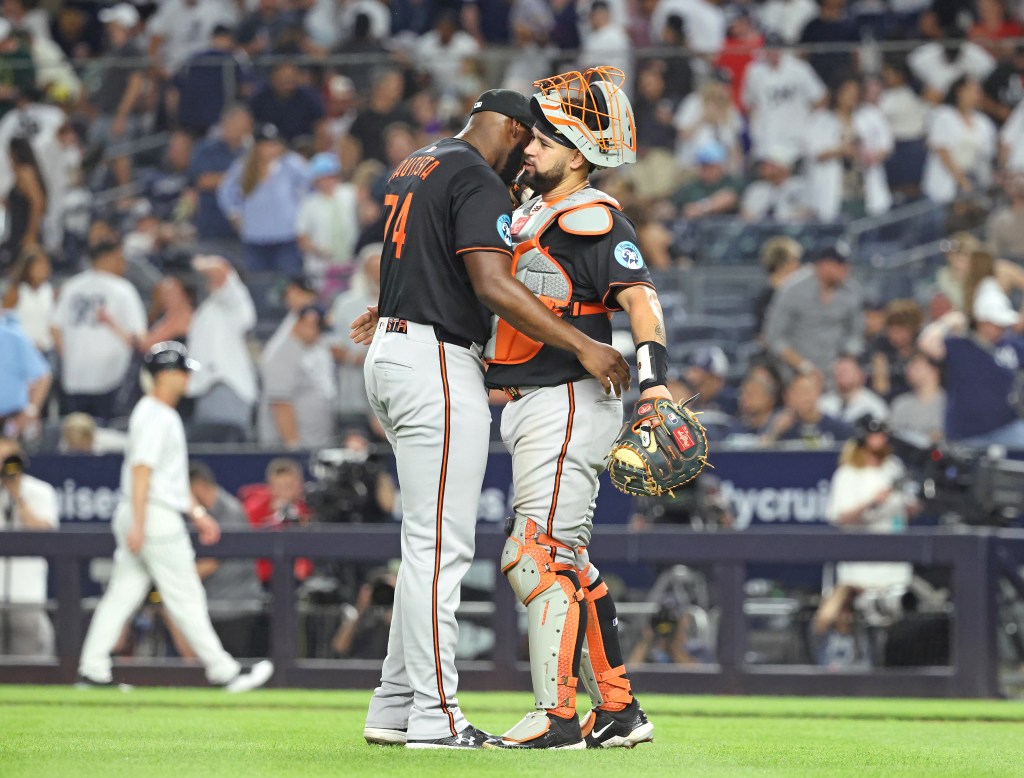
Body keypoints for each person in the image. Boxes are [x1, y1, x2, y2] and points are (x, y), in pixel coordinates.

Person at [348, 87, 629, 750]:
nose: (530, 155)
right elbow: (493, 284)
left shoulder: (421, 161)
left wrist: (394, 309)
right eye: (526, 137)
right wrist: (584, 343)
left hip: (395, 347)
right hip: (434, 361)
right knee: (440, 548)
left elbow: (422, 260)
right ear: (503, 126)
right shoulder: (476, 172)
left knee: (423, 542)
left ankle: (394, 702)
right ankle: (436, 716)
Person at [480, 67, 656, 750]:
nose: (529, 147)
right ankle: (616, 709)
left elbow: (640, 298)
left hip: (568, 400)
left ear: (577, 154)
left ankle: (555, 716)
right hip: (538, 402)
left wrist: (657, 382)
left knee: (535, 555)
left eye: (545, 140)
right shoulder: (535, 211)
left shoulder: (592, 214)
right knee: (568, 561)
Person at [77, 342, 274, 691]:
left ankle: (92, 670)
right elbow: (142, 471)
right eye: (182, 371)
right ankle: (223, 671)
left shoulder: (153, 412)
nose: (186, 378)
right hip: (152, 514)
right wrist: (140, 522)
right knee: (186, 596)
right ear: (165, 374)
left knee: (122, 593)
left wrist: (197, 514)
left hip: (143, 511)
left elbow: (171, 477)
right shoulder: (156, 413)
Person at [815, 415, 915, 666]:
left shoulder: (893, 467)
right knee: (854, 611)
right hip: (862, 560)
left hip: (894, 557)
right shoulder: (848, 473)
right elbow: (840, 517)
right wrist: (872, 502)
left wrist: (910, 501)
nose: (879, 439)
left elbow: (910, 508)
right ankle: (851, 660)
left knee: (898, 616)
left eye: (882, 433)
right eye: (874, 433)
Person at [51, 240, 146, 421]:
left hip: (74, 377)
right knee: (106, 439)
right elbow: (139, 338)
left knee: (75, 439)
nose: (123, 264)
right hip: (111, 380)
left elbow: (55, 328)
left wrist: (69, 356)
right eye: (119, 258)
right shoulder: (123, 289)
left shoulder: (71, 285)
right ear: (107, 258)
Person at [919, 287, 1024, 448]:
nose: (998, 328)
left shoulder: (1012, 346)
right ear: (980, 321)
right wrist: (948, 321)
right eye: (992, 322)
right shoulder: (959, 345)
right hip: (966, 433)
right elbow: (926, 343)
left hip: (1007, 427)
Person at [188, 462, 265, 658]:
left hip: (236, 606)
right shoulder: (202, 515)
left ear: (198, 486)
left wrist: (175, 582)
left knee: (234, 664)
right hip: (215, 604)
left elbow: (212, 562)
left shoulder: (229, 511)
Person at [217, 123, 309, 275]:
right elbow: (225, 192)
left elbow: (310, 185)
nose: (271, 149)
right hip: (255, 237)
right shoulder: (243, 167)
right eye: (266, 145)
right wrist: (234, 214)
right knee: (258, 284)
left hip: (286, 236)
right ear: (257, 147)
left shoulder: (291, 164)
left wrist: (303, 216)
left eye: (274, 144)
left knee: (290, 281)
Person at [763, 244, 864, 381]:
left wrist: (847, 360)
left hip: (836, 371)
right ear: (823, 266)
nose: (846, 270)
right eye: (840, 265)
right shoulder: (793, 290)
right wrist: (804, 366)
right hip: (796, 372)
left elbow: (856, 334)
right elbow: (774, 337)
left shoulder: (851, 291)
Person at [186, 256, 258, 434]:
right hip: (207, 387)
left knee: (227, 450)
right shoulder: (211, 306)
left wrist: (195, 262)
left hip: (225, 387)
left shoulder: (236, 301)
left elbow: (220, 269)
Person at [0, 436, 58, 656]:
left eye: (9, 459)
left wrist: (17, 496)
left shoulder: (40, 492)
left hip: (26, 595)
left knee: (28, 667)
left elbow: (45, 534)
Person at [257, 305, 337, 449]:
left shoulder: (309, 349)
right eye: (318, 329)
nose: (320, 335)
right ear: (306, 322)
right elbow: (281, 404)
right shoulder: (282, 353)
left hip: (312, 445)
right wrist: (293, 448)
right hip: (288, 448)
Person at [741, 33, 827, 158]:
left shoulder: (799, 69)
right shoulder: (755, 71)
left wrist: (809, 125)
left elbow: (820, 98)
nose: (773, 52)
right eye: (770, 48)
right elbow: (749, 104)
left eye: (776, 48)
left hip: (797, 140)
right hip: (767, 139)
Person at [188, 104, 253, 262]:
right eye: (240, 125)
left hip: (244, 230)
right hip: (213, 229)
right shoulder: (206, 148)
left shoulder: (250, 151)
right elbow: (203, 181)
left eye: (247, 126)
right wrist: (238, 178)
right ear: (226, 123)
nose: (244, 130)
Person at [922, 76, 997, 204]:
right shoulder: (943, 116)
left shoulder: (984, 123)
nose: (974, 95)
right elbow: (942, 151)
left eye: (977, 92)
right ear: (959, 92)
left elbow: (985, 156)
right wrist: (962, 181)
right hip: (944, 184)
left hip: (973, 182)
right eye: (970, 91)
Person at [329, 243, 381, 424]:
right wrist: (358, 359)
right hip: (353, 395)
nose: (377, 275)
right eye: (372, 269)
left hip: (392, 392)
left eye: (380, 269)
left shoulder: (402, 301)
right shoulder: (345, 303)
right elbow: (332, 344)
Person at [296, 152, 359, 284]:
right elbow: (302, 236)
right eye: (324, 177)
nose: (328, 181)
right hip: (322, 266)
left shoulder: (349, 193)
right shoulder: (309, 203)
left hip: (351, 261)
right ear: (316, 180)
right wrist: (317, 250)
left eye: (332, 176)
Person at [763, 372, 852, 446]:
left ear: (818, 393)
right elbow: (760, 452)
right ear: (790, 396)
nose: (804, 397)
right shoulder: (780, 425)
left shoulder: (838, 428)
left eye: (808, 391)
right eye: (799, 392)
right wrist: (775, 432)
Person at [0, 137, 46, 269]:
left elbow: (38, 203)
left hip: (24, 232)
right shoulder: (20, 173)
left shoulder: (26, 173)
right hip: (16, 230)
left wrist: (31, 234)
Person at [2, 246, 53, 355]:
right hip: (21, 350)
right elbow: (4, 323)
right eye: (39, 264)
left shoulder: (48, 291)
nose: (44, 268)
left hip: (45, 350)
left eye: (46, 264)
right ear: (28, 268)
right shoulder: (16, 291)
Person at [869, 299, 923, 402]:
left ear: (913, 329)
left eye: (900, 331)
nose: (895, 336)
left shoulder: (922, 346)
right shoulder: (880, 345)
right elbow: (880, 388)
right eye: (891, 330)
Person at [890, 351, 946, 442]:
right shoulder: (900, 404)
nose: (910, 370)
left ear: (935, 370)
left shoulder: (949, 404)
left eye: (916, 367)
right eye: (909, 367)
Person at [753, 236, 802, 337]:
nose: (798, 265)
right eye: (794, 260)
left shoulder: (796, 291)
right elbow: (761, 334)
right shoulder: (766, 296)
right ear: (784, 263)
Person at [819, 355, 889, 424]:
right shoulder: (822, 404)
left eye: (847, 371)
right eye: (839, 371)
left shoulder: (874, 406)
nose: (842, 375)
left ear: (860, 374)